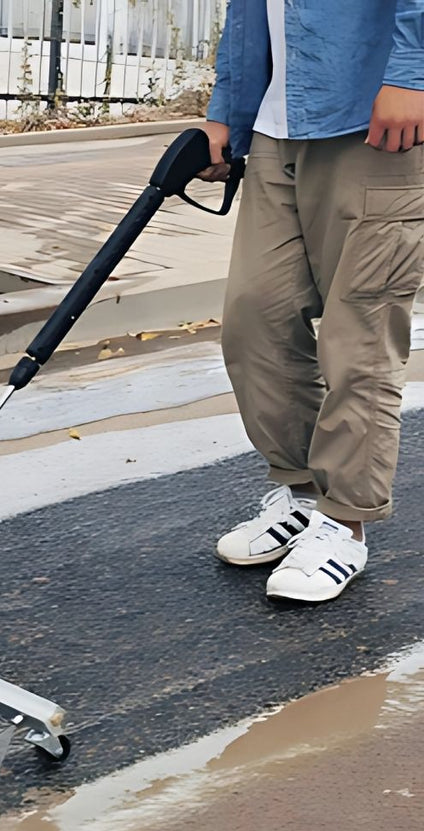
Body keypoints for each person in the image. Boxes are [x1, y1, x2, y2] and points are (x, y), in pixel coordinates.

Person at [201, 0, 424, 603]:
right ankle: (303, 497)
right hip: (278, 128)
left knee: (360, 337)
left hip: (375, 122)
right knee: (256, 319)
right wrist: (227, 112)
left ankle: (345, 523)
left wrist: (413, 74)